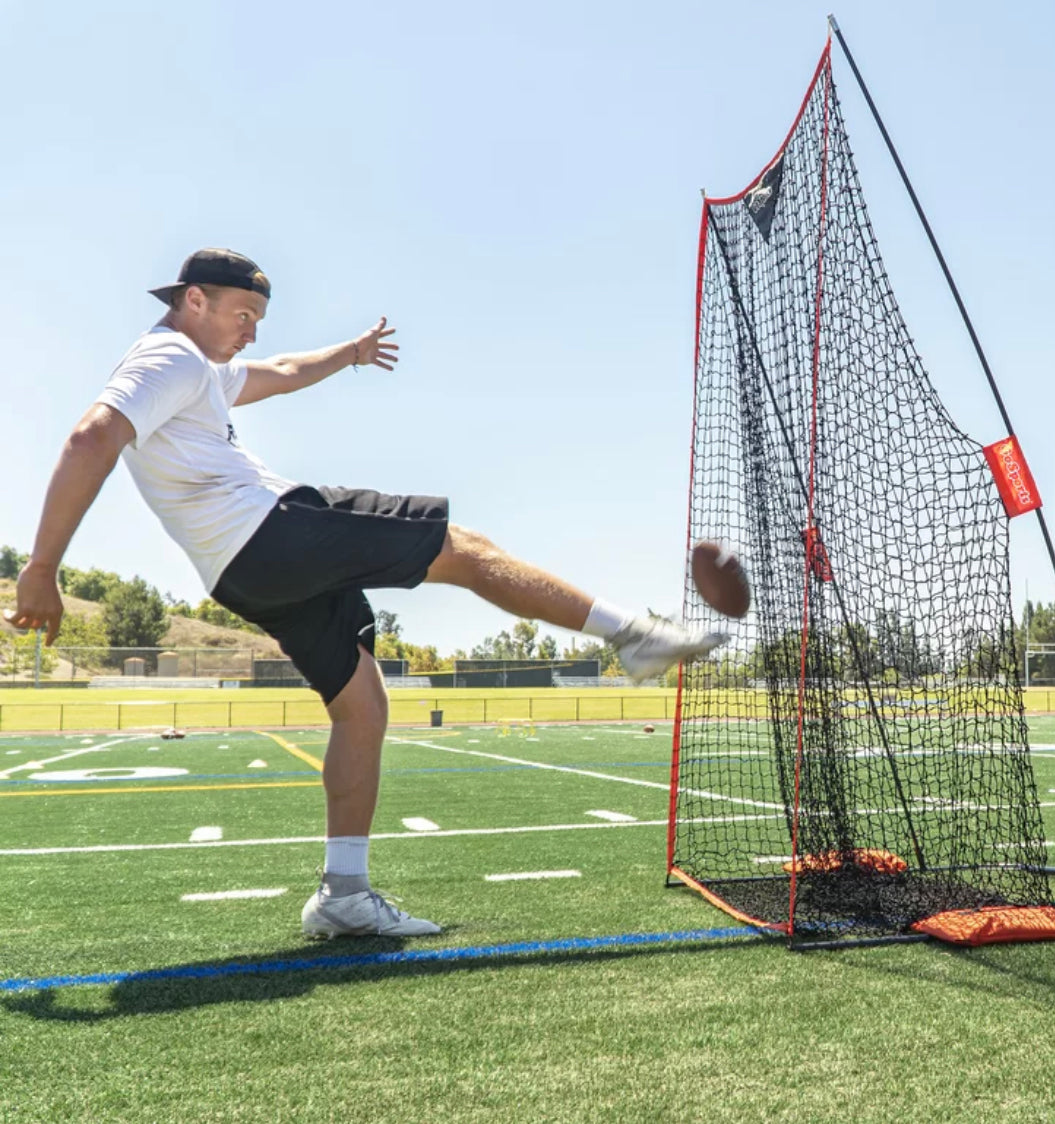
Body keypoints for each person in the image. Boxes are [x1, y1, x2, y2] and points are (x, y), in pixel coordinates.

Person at [4, 248, 727, 940]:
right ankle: (633, 636)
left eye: (258, 315)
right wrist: (43, 568)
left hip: (242, 573)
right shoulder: (170, 357)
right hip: (269, 532)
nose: (251, 328)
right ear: (194, 300)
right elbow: (89, 439)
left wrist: (346, 354)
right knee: (465, 549)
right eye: (240, 312)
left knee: (362, 703)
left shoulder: (204, 370)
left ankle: (343, 895)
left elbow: (281, 370)